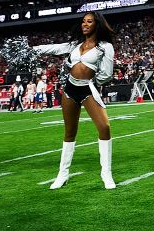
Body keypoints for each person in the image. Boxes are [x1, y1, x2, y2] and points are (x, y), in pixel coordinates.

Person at [31, 12, 118, 190]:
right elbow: (55, 48)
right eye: (83, 21)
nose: (85, 24)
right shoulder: (74, 45)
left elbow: (107, 73)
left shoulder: (105, 46)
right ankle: (63, 175)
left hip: (87, 89)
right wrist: (33, 49)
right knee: (69, 132)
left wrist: (94, 82)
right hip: (70, 89)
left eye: (89, 22)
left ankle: (106, 173)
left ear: (97, 25)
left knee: (104, 127)